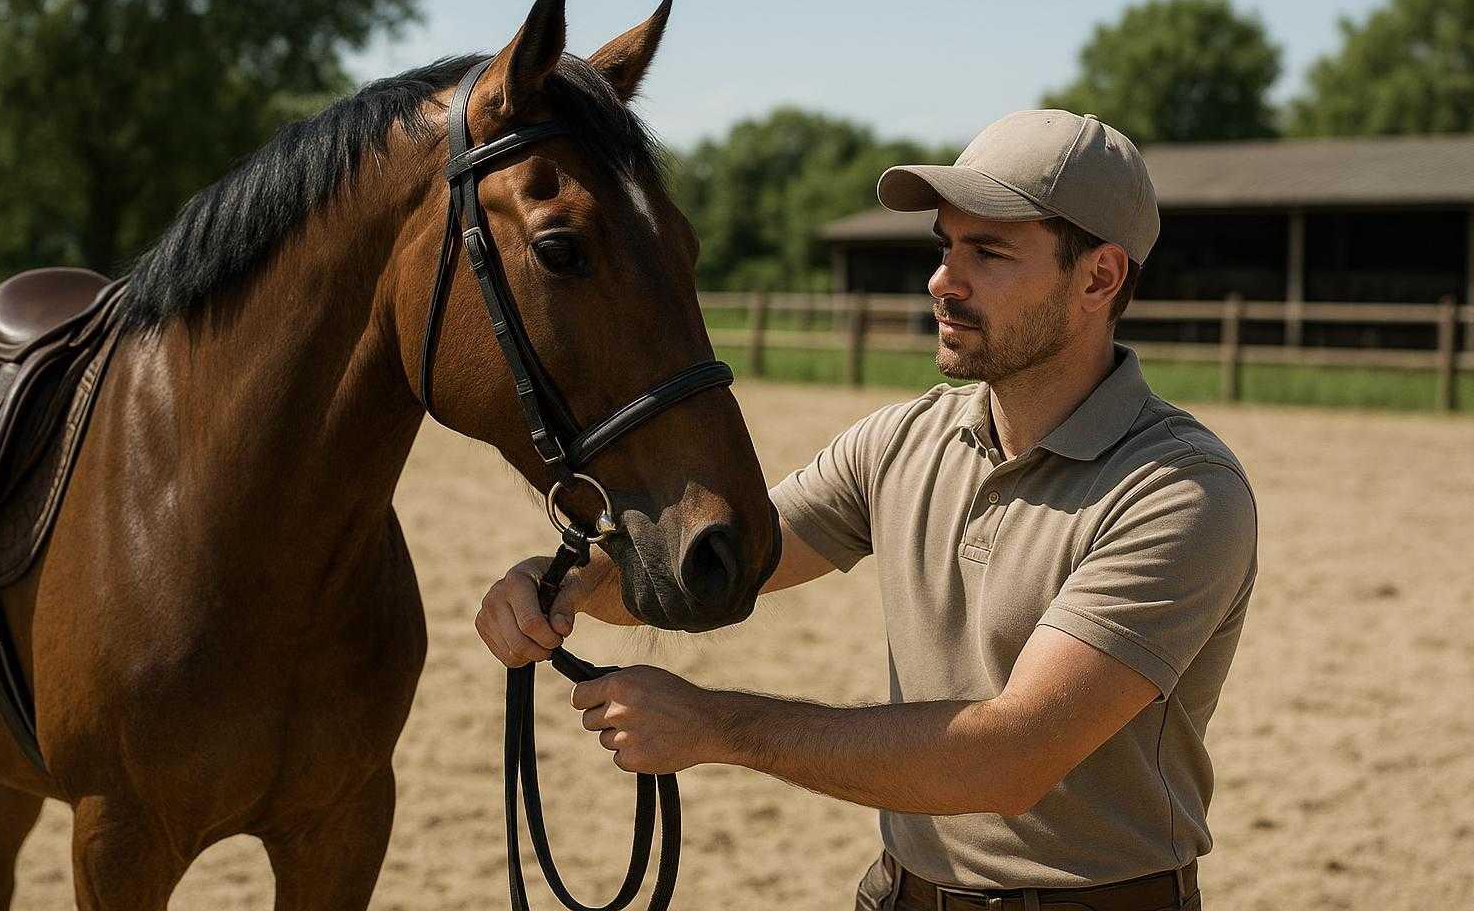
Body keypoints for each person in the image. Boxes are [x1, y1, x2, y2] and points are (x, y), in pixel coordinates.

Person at [477, 110, 1257, 911]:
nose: (943, 281)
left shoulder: (1180, 491)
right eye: (945, 246)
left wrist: (717, 726)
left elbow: (1011, 761)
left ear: (1098, 278)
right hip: (899, 893)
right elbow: (735, 555)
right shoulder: (902, 440)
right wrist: (562, 583)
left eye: (987, 252)